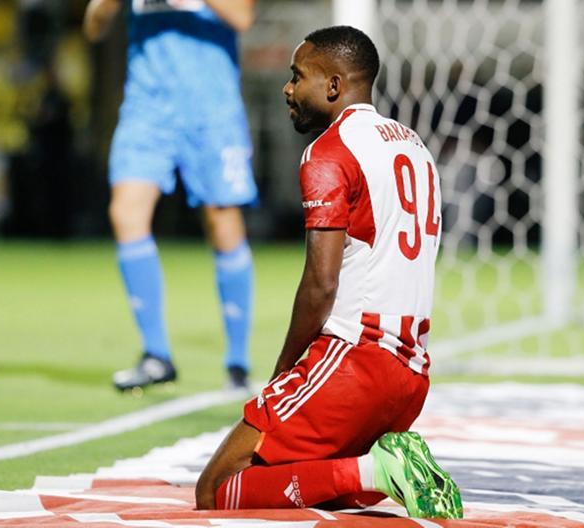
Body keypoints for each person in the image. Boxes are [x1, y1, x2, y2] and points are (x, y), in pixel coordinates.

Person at [193, 26, 462, 519]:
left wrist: (282, 373)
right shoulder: (416, 147)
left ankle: (376, 473)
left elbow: (321, 284)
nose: (288, 89)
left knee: (217, 488)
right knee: (311, 481)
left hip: (354, 361)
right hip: (412, 374)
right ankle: (378, 469)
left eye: (298, 76)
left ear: (333, 85)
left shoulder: (329, 152)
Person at [83, 0, 259, 391]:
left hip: (212, 111)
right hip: (147, 110)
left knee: (222, 221)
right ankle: (156, 354)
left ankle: (237, 362)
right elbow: (94, 25)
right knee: (125, 212)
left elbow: (242, 16)